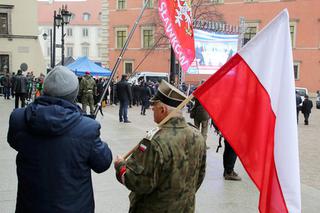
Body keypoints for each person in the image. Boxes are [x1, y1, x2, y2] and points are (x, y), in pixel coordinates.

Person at [7, 66, 113, 213]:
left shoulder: (18, 118)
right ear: (73, 94)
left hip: (31, 206)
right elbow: (103, 163)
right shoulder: (88, 128)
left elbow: (14, 142)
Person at [114, 80, 206, 213]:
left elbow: (139, 183)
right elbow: (199, 176)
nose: (152, 111)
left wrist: (120, 166)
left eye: (154, 108)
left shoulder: (154, 142)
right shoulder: (198, 136)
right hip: (185, 208)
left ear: (163, 110)